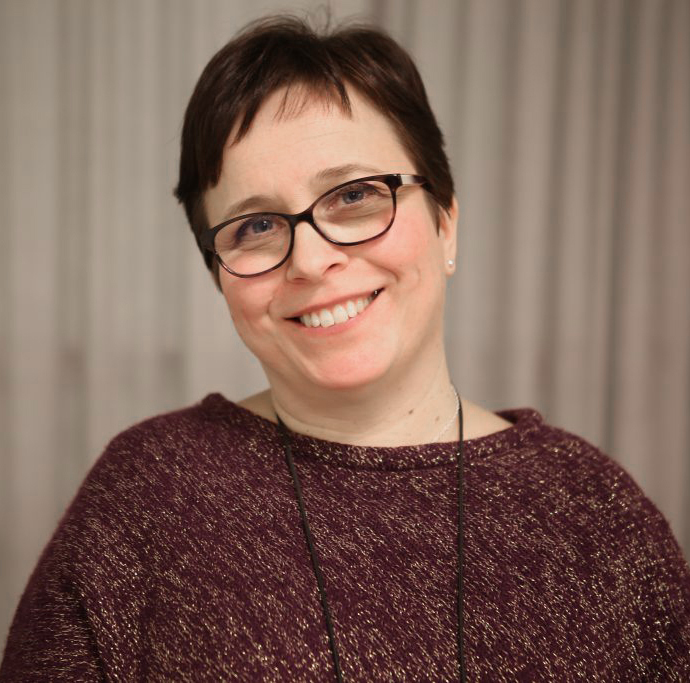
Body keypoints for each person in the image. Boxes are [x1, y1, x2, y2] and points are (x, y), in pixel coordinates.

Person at [2, 15, 689, 683]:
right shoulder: (144, 495)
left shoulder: (599, 516)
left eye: (355, 195)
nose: (310, 260)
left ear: (446, 222)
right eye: (256, 226)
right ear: (217, 276)